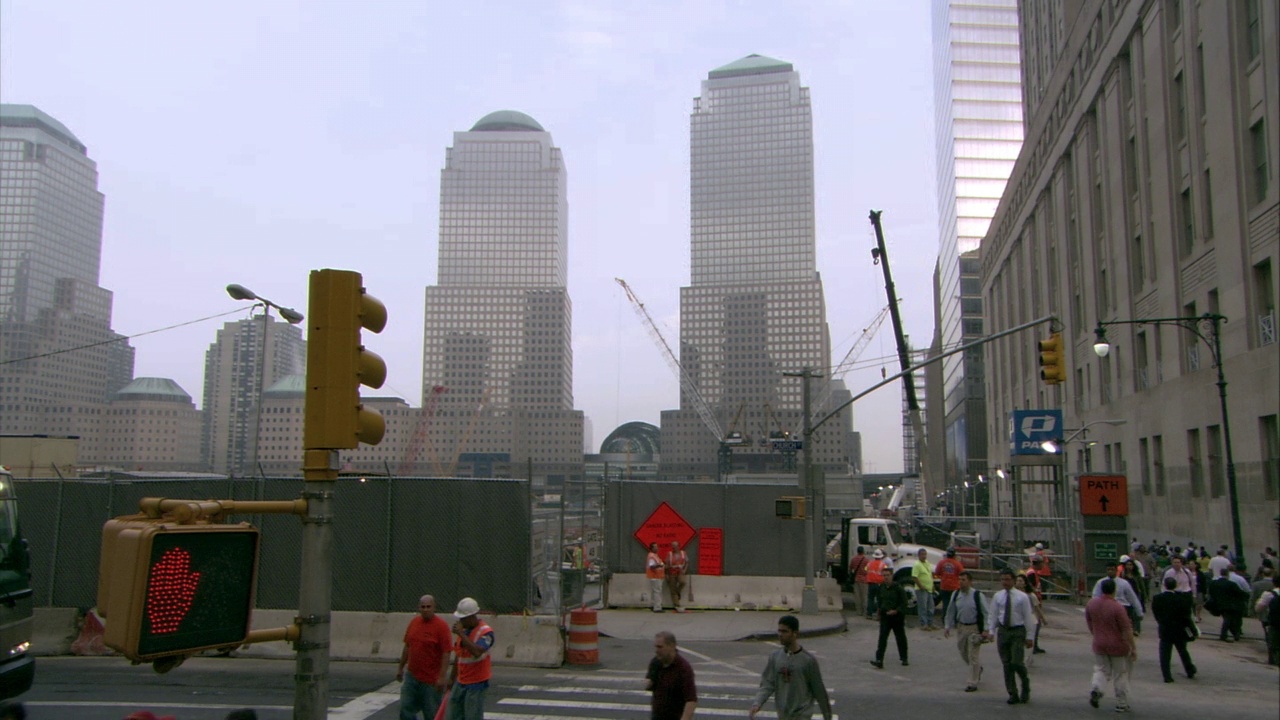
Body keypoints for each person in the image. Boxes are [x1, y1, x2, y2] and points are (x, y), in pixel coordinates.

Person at [750, 615, 833, 720]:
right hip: (784, 714)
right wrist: (757, 703)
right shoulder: (775, 657)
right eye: (779, 631)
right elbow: (768, 683)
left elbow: (819, 690)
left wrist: (827, 716)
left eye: (784, 631)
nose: (780, 635)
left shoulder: (807, 660)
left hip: (801, 714)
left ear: (795, 634)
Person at [397, 594, 453, 720]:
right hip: (412, 677)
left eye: (428, 606)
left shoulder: (441, 626)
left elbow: (446, 652)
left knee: (432, 714)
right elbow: (407, 646)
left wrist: (442, 677)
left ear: (434, 608)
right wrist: (400, 668)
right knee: (406, 710)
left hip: (431, 680)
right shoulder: (414, 623)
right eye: (423, 607)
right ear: (419, 608)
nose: (426, 609)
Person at [1086, 578, 1137, 713]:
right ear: (1114, 590)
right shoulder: (1117, 607)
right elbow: (1126, 630)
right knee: (1120, 674)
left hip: (1099, 643)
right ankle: (1121, 702)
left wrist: (1096, 634)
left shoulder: (1091, 604)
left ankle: (1097, 688)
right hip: (1118, 645)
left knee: (1101, 670)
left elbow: (1090, 623)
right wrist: (1133, 647)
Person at [446, 596, 495, 720]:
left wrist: (461, 634)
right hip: (461, 681)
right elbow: (459, 656)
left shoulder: (485, 632)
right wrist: (452, 679)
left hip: (476, 683)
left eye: (463, 619)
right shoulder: (464, 632)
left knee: (472, 716)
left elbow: (477, 651)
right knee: (454, 715)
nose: (461, 621)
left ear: (472, 616)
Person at [989, 568, 1033, 705]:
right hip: (1003, 631)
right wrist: (991, 631)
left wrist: (1030, 636)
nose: (1005, 582)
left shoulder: (1022, 597)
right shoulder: (998, 596)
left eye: (1007, 579)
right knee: (1007, 664)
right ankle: (1012, 693)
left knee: (1016, 662)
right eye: (1002, 579)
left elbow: (1027, 616)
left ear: (1013, 580)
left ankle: (1025, 684)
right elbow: (994, 615)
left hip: (1017, 631)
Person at [943, 570, 988, 692]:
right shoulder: (956, 594)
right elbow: (950, 611)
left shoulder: (977, 595)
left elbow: (985, 613)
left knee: (973, 655)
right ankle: (978, 669)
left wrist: (986, 629)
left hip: (974, 628)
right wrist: (948, 626)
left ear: (970, 581)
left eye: (964, 580)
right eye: (960, 580)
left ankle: (972, 682)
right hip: (961, 627)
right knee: (963, 652)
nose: (961, 582)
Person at [1151, 576, 1197, 682]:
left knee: (1165, 654)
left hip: (1165, 629)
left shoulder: (1158, 598)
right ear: (1175, 585)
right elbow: (1186, 617)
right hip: (1179, 629)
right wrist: (1192, 630)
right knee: (1183, 651)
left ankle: (1167, 676)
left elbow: (1156, 612)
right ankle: (1189, 669)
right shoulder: (1181, 599)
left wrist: (1161, 622)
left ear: (1164, 585)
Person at [646, 631, 697, 720]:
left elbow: (691, 700)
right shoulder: (655, 663)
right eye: (656, 646)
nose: (657, 650)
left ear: (672, 646)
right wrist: (648, 682)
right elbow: (650, 682)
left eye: (660, 647)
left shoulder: (683, 668)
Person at [870, 567, 911, 668]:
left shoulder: (898, 588)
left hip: (897, 617)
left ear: (892, 576)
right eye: (884, 575)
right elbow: (879, 601)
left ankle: (904, 658)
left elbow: (904, 602)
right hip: (885, 616)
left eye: (888, 575)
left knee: (900, 638)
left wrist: (896, 610)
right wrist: (879, 613)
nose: (886, 577)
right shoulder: (882, 587)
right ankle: (879, 660)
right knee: (882, 638)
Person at [1093, 564, 1143, 636]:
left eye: (1112, 570)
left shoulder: (1124, 583)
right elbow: (1095, 597)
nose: (1110, 571)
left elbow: (1132, 598)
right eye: (1108, 570)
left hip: (1122, 606)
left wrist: (1139, 612)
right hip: (1106, 607)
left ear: (1116, 571)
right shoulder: (1100, 582)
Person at [1207, 567, 1249, 642]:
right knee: (1228, 620)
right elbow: (1240, 593)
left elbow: (1210, 593)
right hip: (1230, 605)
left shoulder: (1214, 583)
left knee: (1228, 620)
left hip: (1218, 604)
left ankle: (1235, 634)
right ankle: (1225, 635)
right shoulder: (1231, 584)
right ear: (1227, 574)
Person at [1015, 573, 1047, 657]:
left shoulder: (1030, 595)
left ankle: (1027, 658)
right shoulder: (1013, 595)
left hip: (1030, 620)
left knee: (1029, 640)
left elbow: (1037, 608)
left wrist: (1043, 619)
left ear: (1025, 583)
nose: (1018, 582)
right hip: (1018, 620)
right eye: (1017, 580)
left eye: (1020, 581)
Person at [934, 548, 964, 621]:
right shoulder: (957, 564)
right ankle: (955, 620)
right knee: (955, 604)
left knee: (945, 604)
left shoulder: (941, 563)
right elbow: (962, 574)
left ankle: (945, 619)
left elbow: (937, 573)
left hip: (944, 586)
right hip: (955, 587)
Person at [910, 548, 937, 630]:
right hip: (921, 589)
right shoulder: (917, 564)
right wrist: (921, 586)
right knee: (923, 607)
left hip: (929, 589)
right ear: (918, 555)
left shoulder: (927, 563)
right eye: (922, 554)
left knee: (931, 607)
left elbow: (929, 575)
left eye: (925, 554)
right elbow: (914, 577)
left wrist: (932, 586)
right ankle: (923, 624)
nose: (924, 556)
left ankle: (930, 623)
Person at [865, 549, 890, 619]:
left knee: (870, 599)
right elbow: (886, 572)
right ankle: (879, 615)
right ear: (881, 557)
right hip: (879, 584)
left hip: (871, 583)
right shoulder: (883, 565)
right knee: (880, 600)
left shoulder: (869, 563)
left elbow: (865, 569)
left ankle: (869, 614)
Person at [665, 541, 689, 613]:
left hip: (680, 572)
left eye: (675, 546)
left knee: (683, 582)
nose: (673, 548)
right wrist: (666, 574)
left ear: (678, 546)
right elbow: (666, 565)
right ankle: (677, 605)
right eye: (672, 546)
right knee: (673, 589)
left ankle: (678, 592)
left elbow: (687, 562)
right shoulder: (669, 554)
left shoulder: (683, 553)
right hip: (671, 572)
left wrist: (685, 570)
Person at [848, 545, 870, 617]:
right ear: (863, 551)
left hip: (856, 579)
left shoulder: (853, 559)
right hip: (864, 580)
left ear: (857, 551)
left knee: (857, 596)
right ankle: (864, 611)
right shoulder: (866, 560)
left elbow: (850, 568)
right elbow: (868, 570)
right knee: (864, 596)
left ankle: (859, 611)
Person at [646, 542, 666, 613]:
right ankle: (657, 607)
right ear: (651, 548)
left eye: (657, 547)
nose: (657, 548)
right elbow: (652, 566)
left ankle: (653, 605)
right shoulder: (652, 556)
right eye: (655, 547)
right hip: (655, 576)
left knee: (655, 592)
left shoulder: (655, 555)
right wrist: (660, 566)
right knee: (657, 592)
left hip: (657, 576)